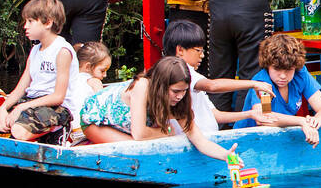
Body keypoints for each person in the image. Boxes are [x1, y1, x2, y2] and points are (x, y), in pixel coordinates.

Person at [79, 57, 244, 166]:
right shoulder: (142, 86)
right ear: (162, 85)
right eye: (175, 91)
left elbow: (200, 141)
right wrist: (169, 131)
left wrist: (226, 155)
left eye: (184, 91)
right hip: (96, 121)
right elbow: (140, 135)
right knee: (134, 148)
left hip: (126, 128)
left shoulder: (179, 102)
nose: (180, 96)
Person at [0, 0, 82, 141]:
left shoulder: (62, 51)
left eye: (30, 21)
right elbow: (20, 88)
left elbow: (58, 97)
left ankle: (56, 132)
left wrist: (20, 108)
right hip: (31, 102)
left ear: (48, 23)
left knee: (18, 130)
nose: (25, 26)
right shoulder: (35, 50)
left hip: (57, 108)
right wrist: (2, 109)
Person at [161, 19, 273, 133]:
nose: (202, 55)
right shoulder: (181, 72)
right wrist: (254, 84)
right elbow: (212, 86)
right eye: (198, 50)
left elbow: (216, 115)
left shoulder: (192, 77)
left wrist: (250, 114)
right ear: (180, 50)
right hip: (196, 143)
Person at [233, 33, 321, 144]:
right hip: (248, 141)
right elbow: (264, 118)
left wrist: (314, 122)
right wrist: (302, 121)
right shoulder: (262, 83)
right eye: (277, 69)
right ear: (268, 66)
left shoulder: (300, 74)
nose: (283, 76)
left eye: (288, 70)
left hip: (277, 140)